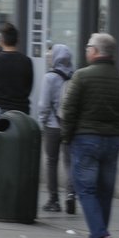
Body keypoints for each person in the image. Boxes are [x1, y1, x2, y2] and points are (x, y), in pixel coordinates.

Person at [62, 32, 119, 238]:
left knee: (86, 190)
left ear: (95, 51)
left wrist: (68, 137)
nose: (86, 51)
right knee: (104, 192)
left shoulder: (81, 76)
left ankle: (102, 237)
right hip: (112, 141)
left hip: (86, 139)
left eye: (87, 47)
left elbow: (69, 110)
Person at [38, 43, 75, 214]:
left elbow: (44, 105)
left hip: (53, 126)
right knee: (70, 163)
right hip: (69, 125)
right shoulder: (74, 76)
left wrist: (42, 122)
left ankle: (54, 199)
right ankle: (71, 194)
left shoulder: (49, 77)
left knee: (51, 162)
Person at [0, 23, 34, 115]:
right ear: (17, 40)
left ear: (1, 40)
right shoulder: (26, 61)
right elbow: (28, 87)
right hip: (20, 109)